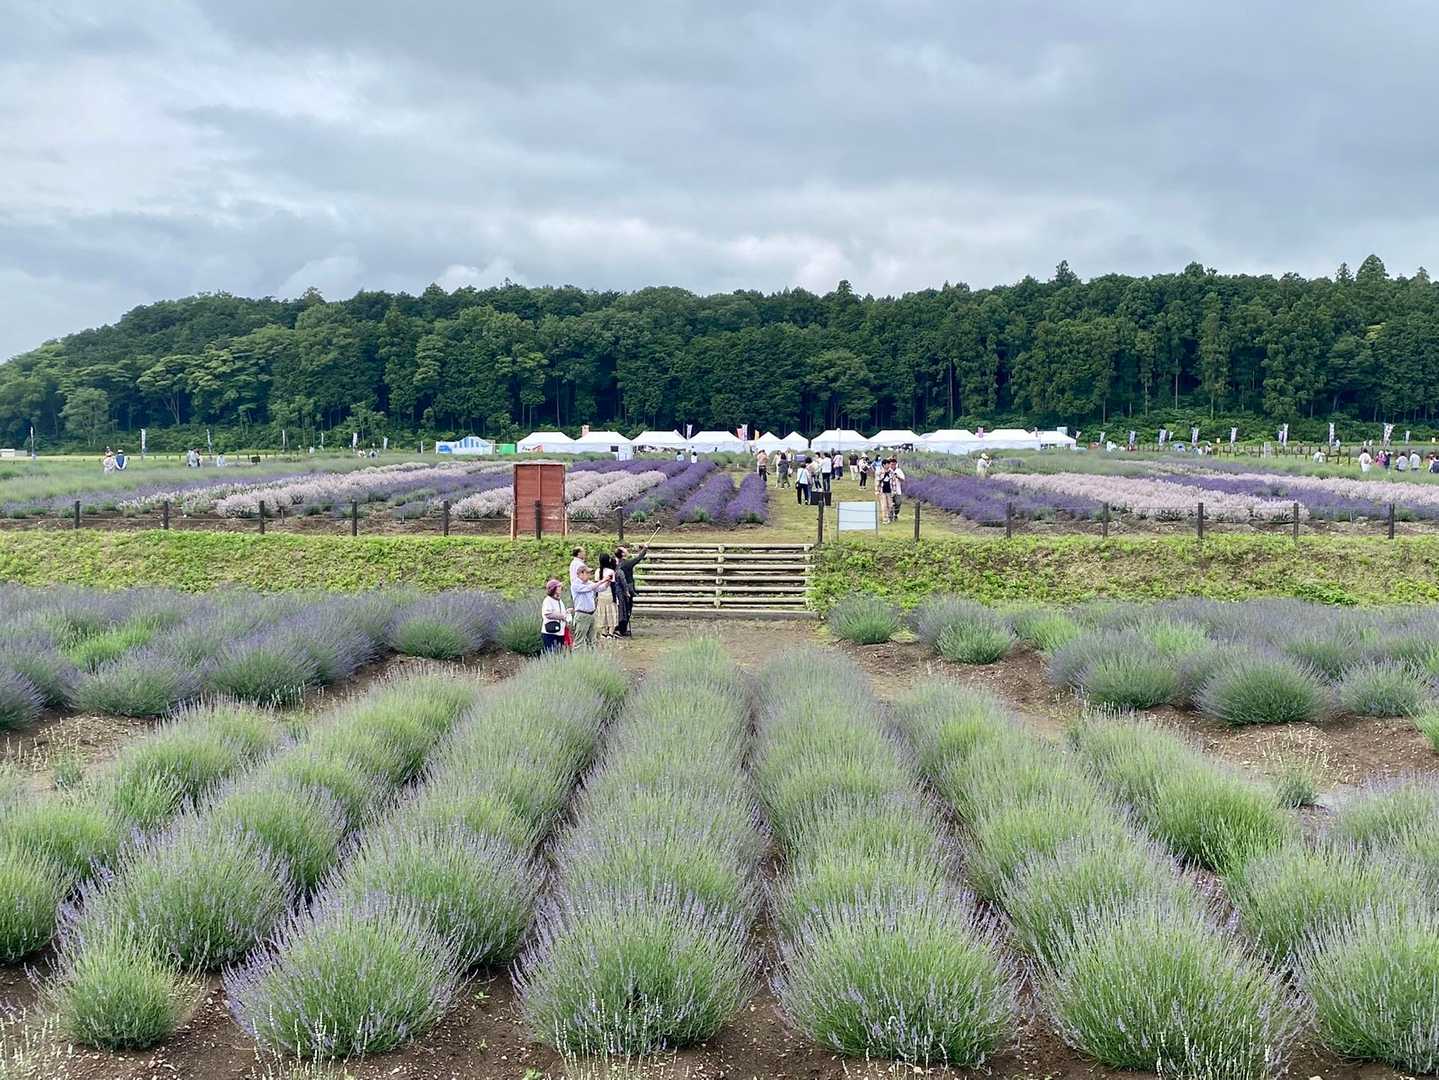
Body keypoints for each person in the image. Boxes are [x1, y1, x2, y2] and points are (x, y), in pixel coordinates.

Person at [614, 543, 648, 637]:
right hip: (627, 589)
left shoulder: (616, 563)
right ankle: (622, 629)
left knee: (623, 609)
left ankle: (620, 628)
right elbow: (638, 559)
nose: (626, 550)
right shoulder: (626, 564)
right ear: (622, 554)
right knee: (627, 609)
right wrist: (645, 549)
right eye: (624, 550)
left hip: (618, 589)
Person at [569, 566, 600, 648]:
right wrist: (602, 581)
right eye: (587, 573)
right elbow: (588, 588)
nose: (589, 575)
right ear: (580, 574)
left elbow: (600, 588)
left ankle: (592, 655)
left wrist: (607, 581)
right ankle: (577, 655)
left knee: (592, 641)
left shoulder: (590, 583)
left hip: (591, 614)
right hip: (582, 615)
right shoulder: (575, 584)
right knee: (579, 641)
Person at [594, 552, 619, 640]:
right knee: (611, 613)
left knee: (602, 613)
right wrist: (615, 598)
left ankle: (604, 632)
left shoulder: (597, 571)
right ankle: (610, 633)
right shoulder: (611, 572)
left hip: (600, 595)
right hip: (609, 595)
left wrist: (596, 596)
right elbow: (613, 586)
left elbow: (596, 585)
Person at [541, 579, 568, 653]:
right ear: (553, 589)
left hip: (560, 631)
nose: (560, 588)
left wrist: (567, 613)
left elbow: (561, 612)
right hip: (550, 632)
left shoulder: (559, 600)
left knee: (559, 653)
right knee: (551, 653)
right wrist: (561, 616)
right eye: (558, 586)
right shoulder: (548, 600)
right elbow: (548, 614)